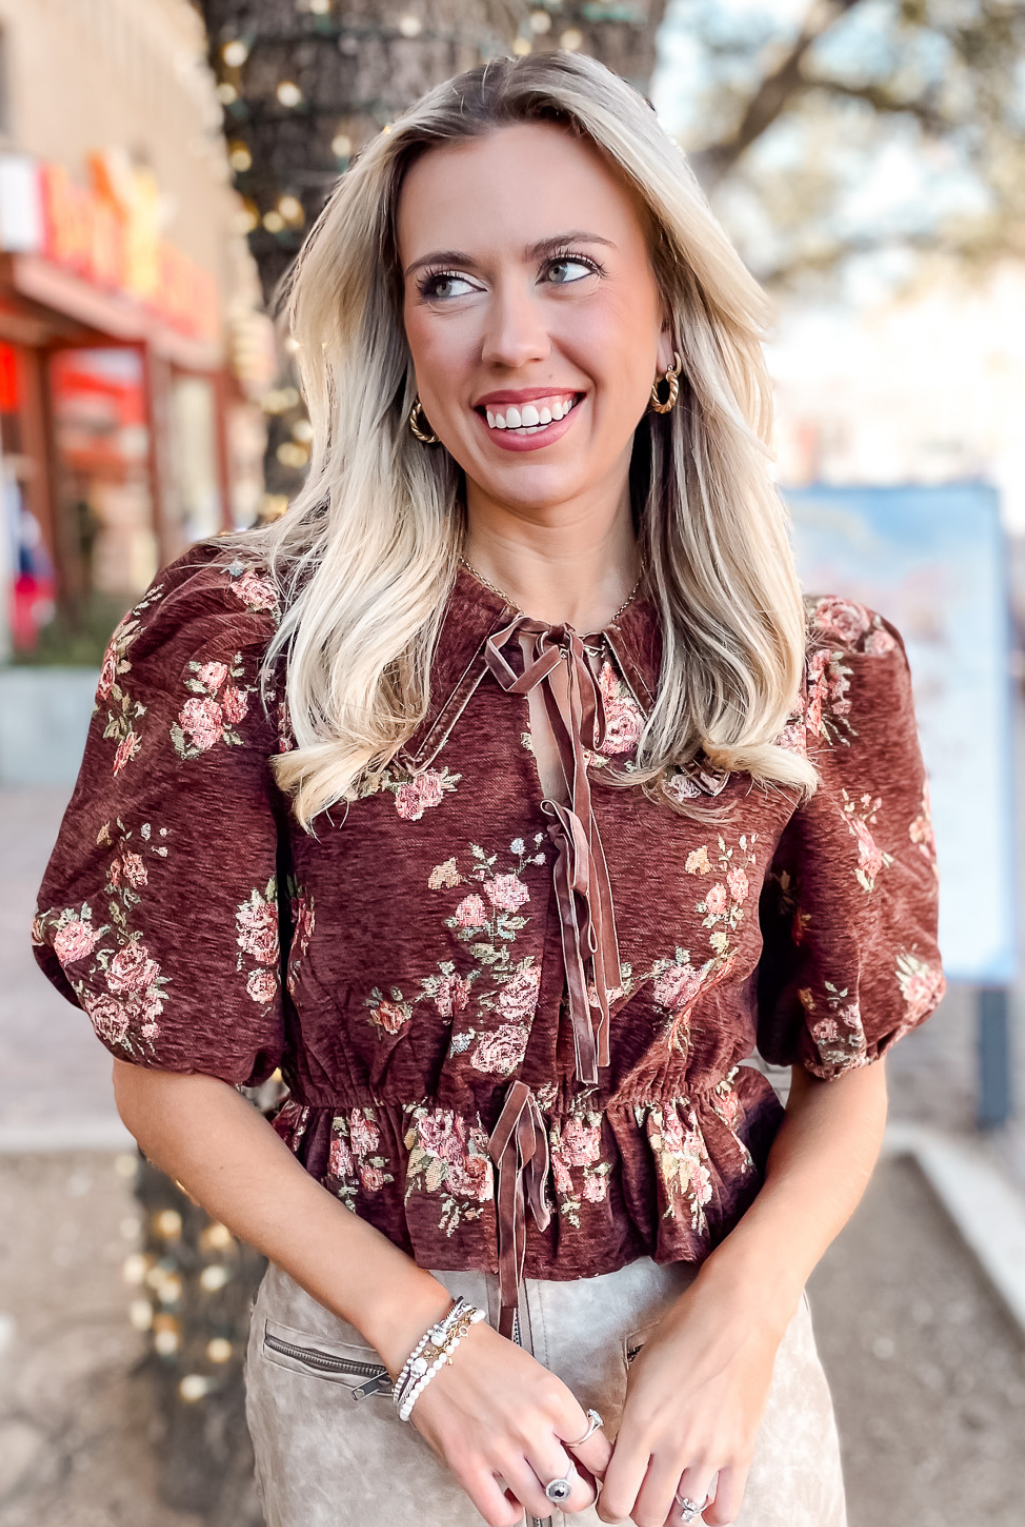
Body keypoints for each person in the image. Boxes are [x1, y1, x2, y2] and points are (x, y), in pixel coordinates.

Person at [31, 50, 945, 1527]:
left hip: (712, 1367)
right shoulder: (249, 647)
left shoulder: (802, 664)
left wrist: (745, 1313)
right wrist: (424, 1340)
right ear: (400, 342)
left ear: (666, 327)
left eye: (568, 268)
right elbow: (171, 1079)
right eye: (448, 283)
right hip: (374, 1365)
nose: (510, 339)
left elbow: (850, 1060)